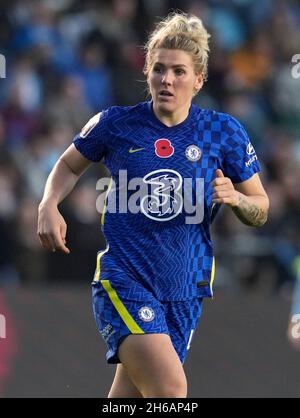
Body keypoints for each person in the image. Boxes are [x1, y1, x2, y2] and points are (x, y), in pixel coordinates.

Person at [37, 12, 269, 398]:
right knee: (170, 390)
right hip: (124, 280)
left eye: (179, 71)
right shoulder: (116, 124)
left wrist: (237, 199)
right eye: (159, 69)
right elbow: (67, 164)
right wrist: (48, 203)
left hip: (185, 289)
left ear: (199, 79)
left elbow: (261, 207)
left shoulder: (222, 132)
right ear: (146, 70)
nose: (167, 80)